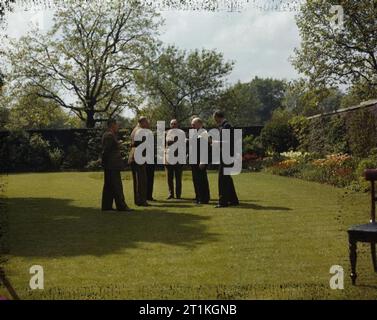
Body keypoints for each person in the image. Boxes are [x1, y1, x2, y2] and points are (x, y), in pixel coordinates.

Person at [101, 119, 132, 212]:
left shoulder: (108, 135)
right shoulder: (109, 136)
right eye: (116, 125)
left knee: (109, 186)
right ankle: (121, 206)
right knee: (116, 185)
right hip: (112, 164)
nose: (118, 127)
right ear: (112, 125)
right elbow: (106, 150)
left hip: (110, 164)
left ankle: (107, 206)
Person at [213, 110, 239, 208]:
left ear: (217, 117)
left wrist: (216, 142)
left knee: (222, 179)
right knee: (227, 178)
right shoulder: (225, 126)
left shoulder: (226, 126)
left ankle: (223, 201)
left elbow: (228, 142)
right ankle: (233, 200)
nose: (214, 120)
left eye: (214, 118)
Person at [129, 117, 149, 207]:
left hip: (135, 157)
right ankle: (141, 200)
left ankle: (138, 200)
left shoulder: (135, 130)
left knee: (138, 180)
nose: (148, 124)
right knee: (141, 180)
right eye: (146, 122)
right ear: (142, 122)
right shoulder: (140, 131)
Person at [190, 117, 210, 204]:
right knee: (196, 179)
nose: (192, 125)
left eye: (194, 124)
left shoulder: (204, 133)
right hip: (194, 159)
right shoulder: (195, 133)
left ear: (199, 124)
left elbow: (205, 148)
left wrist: (203, 161)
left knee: (202, 179)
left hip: (200, 160)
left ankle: (204, 198)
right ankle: (198, 197)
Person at [165, 119, 183, 200]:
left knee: (178, 178)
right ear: (170, 125)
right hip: (168, 159)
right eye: (172, 124)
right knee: (169, 178)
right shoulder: (166, 133)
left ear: (177, 125)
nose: (173, 125)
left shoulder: (181, 133)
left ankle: (178, 195)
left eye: (175, 124)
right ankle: (171, 194)